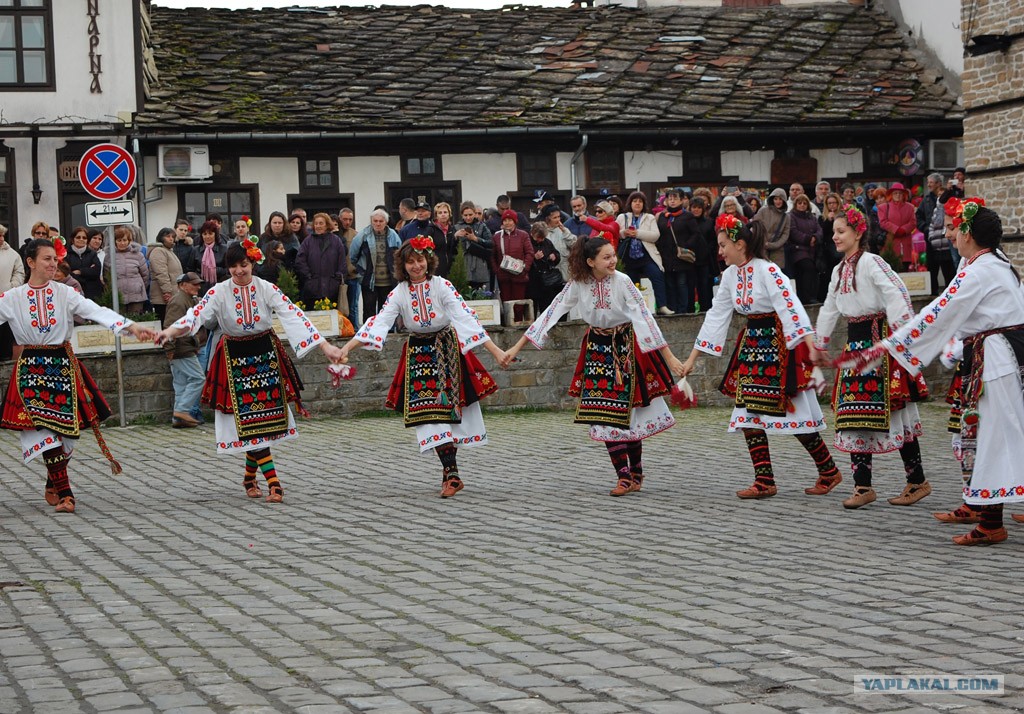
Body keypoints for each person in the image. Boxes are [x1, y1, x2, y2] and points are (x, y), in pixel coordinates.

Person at [870, 202, 1024, 545]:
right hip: (1000, 357)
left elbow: (939, 312)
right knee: (993, 435)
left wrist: (892, 345)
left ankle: (991, 523)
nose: (951, 235)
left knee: (994, 437)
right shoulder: (995, 264)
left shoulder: (979, 269)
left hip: (996, 360)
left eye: (956, 229)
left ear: (968, 234)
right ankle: (988, 517)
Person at [155, 238, 345, 503]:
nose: (238, 271)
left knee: (260, 422)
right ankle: (275, 483)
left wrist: (325, 346)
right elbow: (194, 316)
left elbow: (293, 315)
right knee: (249, 422)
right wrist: (169, 332)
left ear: (253, 263)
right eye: (233, 266)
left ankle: (248, 477)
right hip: (234, 358)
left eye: (243, 265)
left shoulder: (266, 288)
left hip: (265, 354)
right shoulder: (218, 292)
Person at [503, 237, 686, 496]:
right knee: (603, 412)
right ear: (590, 262)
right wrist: (516, 347)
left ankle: (636, 471)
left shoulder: (622, 281)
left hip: (626, 347)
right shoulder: (578, 284)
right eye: (606, 257)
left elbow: (644, 317)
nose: (612, 261)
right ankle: (622, 476)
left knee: (630, 411)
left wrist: (669, 358)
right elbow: (552, 312)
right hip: (597, 349)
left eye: (613, 256)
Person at [680, 216, 842, 500]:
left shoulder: (768, 270)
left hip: (780, 345)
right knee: (747, 413)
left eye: (723, 245)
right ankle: (764, 480)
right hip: (753, 345)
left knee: (796, 414)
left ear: (740, 244)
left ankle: (828, 470)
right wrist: (693, 358)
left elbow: (790, 306)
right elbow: (716, 316)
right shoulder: (730, 276)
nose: (719, 251)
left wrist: (809, 345)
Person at [337, 236, 507, 498]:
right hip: (419, 353)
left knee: (452, 412)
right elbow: (380, 321)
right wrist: (347, 348)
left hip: (447, 348)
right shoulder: (399, 292)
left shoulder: (442, 286)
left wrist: (495, 351)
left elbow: (465, 318)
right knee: (428, 414)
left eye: (420, 260)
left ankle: (449, 474)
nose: (416, 266)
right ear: (403, 266)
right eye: (410, 262)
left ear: (428, 261)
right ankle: (451, 474)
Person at [0, 238, 156, 513]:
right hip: (31, 368)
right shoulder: (12, 298)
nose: (52, 264)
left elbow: (95, 311)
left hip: (62, 364)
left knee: (67, 436)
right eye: (46, 259)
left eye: (54, 259)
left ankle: (54, 480)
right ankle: (67, 494)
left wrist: (129, 326)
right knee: (44, 431)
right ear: (31, 262)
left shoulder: (65, 293)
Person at [812, 205, 931, 509]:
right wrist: (820, 343)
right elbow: (829, 307)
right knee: (853, 415)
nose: (835, 237)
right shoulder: (839, 271)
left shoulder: (872, 262)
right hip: (855, 349)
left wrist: (901, 334)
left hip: (880, 345)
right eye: (834, 232)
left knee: (897, 412)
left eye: (841, 231)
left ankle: (916, 481)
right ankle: (862, 486)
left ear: (858, 232)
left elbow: (896, 293)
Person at [162, 272, 206, 428]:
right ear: (182, 285)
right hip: (182, 348)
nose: (198, 287)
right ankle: (181, 411)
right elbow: (169, 326)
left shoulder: (187, 299)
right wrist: (170, 349)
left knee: (181, 384)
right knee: (198, 379)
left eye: (198, 283)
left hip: (182, 347)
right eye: (194, 284)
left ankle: (178, 419)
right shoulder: (179, 301)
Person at [617, 191, 671, 316]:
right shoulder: (622, 217)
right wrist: (624, 233)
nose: (637, 203)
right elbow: (616, 233)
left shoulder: (649, 217)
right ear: (630, 203)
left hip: (646, 255)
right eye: (635, 201)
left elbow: (655, 236)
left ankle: (662, 306)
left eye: (640, 201)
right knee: (631, 284)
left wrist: (638, 233)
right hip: (628, 257)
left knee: (657, 275)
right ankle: (634, 309)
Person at [350, 208, 402, 317]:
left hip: (388, 281)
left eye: (381, 221)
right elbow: (353, 256)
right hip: (369, 281)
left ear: (386, 222)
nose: (378, 223)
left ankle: (388, 332)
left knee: (387, 311)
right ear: (371, 221)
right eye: (375, 221)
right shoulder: (362, 235)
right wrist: (362, 271)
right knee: (369, 311)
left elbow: (399, 256)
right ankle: (369, 332)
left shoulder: (393, 235)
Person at [295, 212, 347, 306]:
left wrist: (337, 278)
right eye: (316, 223)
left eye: (321, 223)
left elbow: (342, 262)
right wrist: (308, 277)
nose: (318, 226)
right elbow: (300, 260)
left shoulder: (336, 241)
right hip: (312, 287)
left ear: (327, 225)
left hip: (332, 288)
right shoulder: (308, 241)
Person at [491, 209, 534, 322]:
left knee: (518, 304)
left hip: (519, 276)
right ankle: (507, 325)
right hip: (504, 277)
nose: (507, 223)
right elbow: (492, 255)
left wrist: (525, 269)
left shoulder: (523, 235)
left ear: (515, 221)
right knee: (506, 303)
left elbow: (529, 252)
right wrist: (497, 271)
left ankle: (518, 325)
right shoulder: (497, 236)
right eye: (505, 220)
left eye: (510, 220)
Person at [656, 188, 693, 314]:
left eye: (675, 198)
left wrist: (685, 246)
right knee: (670, 284)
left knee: (682, 284)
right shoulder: (662, 216)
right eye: (669, 198)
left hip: (681, 257)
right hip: (666, 256)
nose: (672, 201)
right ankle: (672, 309)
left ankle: (683, 310)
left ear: (682, 200)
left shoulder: (687, 216)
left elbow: (696, 235)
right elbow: (658, 235)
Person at [399, 202, 453, 278]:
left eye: (423, 211)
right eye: (418, 211)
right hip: (414, 269)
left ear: (430, 214)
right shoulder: (406, 229)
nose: (420, 213)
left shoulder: (437, 228)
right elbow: (401, 251)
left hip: (437, 268)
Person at [787, 193, 822, 305]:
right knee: (808, 268)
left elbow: (819, 230)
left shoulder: (812, 216)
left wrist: (815, 238)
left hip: (812, 250)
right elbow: (793, 232)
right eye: (799, 203)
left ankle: (809, 296)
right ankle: (807, 298)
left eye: (804, 203)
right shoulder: (791, 216)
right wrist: (808, 239)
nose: (802, 205)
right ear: (795, 204)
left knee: (812, 271)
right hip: (798, 249)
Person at [106, 226, 149, 314]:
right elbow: (107, 277)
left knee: (136, 321)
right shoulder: (109, 256)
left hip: (137, 296)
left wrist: (139, 286)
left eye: (125, 240)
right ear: (114, 241)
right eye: (119, 240)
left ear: (129, 241)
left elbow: (145, 275)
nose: (122, 243)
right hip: (118, 297)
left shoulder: (138, 255)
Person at [453, 201, 493, 292]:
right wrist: (455, 236)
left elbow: (491, 243)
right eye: (465, 215)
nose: (468, 217)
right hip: (463, 264)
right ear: (461, 215)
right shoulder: (456, 227)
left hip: (480, 263)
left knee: (481, 294)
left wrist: (475, 239)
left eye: (470, 214)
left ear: (475, 213)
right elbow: (451, 249)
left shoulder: (482, 226)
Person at [0, 223, 26, 360]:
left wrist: (11, 287)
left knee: (5, 337)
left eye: (3, 235)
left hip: (6, 301)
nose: (1, 238)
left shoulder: (12, 254)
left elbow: (19, 273)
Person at [148, 227, 183, 323]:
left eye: (173, 236)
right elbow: (161, 273)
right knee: (165, 323)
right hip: (163, 297)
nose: (171, 239)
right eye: (168, 236)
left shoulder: (169, 251)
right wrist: (167, 292)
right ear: (161, 238)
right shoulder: (158, 251)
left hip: (173, 294)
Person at [526, 222, 562, 314]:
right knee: (532, 308)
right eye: (538, 238)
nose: (540, 240)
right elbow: (523, 260)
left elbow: (556, 254)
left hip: (546, 282)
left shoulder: (547, 242)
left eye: (542, 238)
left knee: (546, 307)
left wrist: (554, 256)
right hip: (532, 281)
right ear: (532, 234)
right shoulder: (526, 242)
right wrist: (534, 258)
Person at [877, 183, 916, 269]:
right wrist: (896, 229)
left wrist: (904, 230)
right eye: (895, 193)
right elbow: (883, 222)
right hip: (890, 244)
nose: (898, 195)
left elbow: (913, 222)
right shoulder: (883, 207)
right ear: (891, 194)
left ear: (904, 195)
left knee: (905, 270)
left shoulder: (910, 207)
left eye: (900, 193)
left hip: (906, 244)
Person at [752, 188, 791, 270]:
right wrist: (762, 242)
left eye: (780, 199)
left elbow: (785, 234)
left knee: (774, 275)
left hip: (777, 251)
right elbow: (755, 226)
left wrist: (773, 245)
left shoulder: (786, 217)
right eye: (775, 199)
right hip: (761, 248)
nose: (778, 201)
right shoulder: (763, 211)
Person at [539, 203, 576, 285]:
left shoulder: (564, 230)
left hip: (565, 276)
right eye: (555, 217)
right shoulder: (542, 232)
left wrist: (565, 232)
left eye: (559, 217)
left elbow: (574, 245)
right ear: (547, 219)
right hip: (549, 277)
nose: (558, 220)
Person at [64, 226, 103, 300]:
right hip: (73, 293)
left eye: (84, 238)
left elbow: (96, 271)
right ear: (73, 239)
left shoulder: (92, 254)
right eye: (78, 237)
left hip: (92, 295)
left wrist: (80, 271)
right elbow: (66, 273)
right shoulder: (66, 254)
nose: (81, 239)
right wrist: (88, 272)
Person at [190, 220, 228, 295]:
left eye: (210, 233)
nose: (207, 236)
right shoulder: (196, 250)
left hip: (220, 287)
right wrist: (199, 275)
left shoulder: (224, 249)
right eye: (205, 234)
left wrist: (214, 270)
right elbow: (190, 270)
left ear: (215, 234)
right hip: (200, 289)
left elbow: (229, 269)